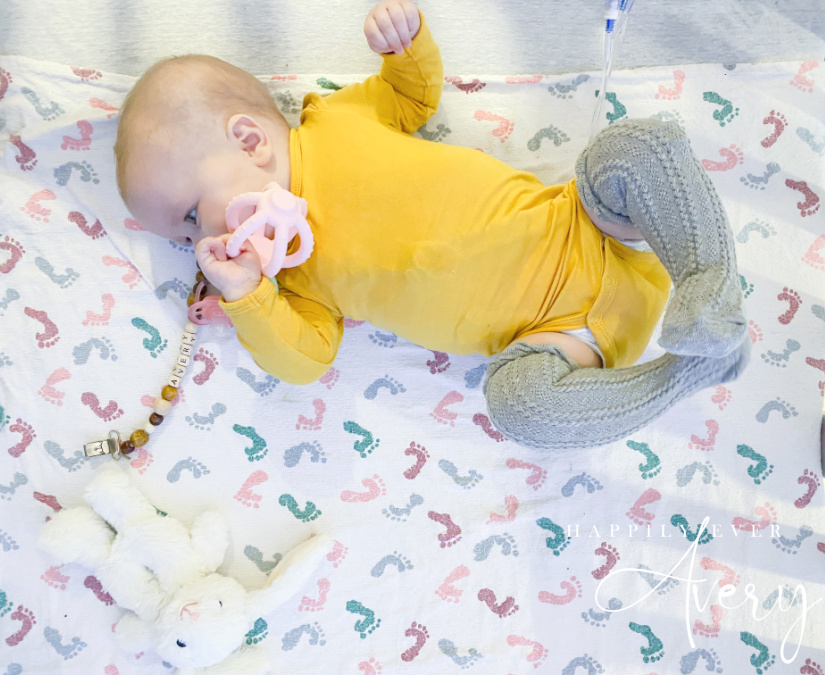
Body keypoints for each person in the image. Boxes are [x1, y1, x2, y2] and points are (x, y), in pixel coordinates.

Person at [114, 0, 750, 451]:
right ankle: (684, 375)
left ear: (250, 140)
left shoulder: (334, 120)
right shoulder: (294, 282)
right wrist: (250, 297)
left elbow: (410, 95)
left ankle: (709, 286)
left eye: (192, 216)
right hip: (559, 340)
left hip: (594, 225)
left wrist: (404, 43)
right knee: (519, 408)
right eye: (183, 240)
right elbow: (305, 363)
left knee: (636, 146)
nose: (200, 245)